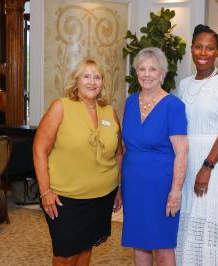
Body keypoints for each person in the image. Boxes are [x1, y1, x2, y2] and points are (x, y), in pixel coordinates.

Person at [33, 58, 123, 266]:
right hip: (65, 199)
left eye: (97, 77)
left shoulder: (110, 112)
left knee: (86, 247)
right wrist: (45, 191)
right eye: (86, 76)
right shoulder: (61, 107)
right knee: (65, 255)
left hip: (102, 196)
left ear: (103, 82)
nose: (92, 82)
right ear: (76, 81)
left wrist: (118, 188)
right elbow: (39, 149)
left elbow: (119, 153)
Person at [176, 24, 218, 265]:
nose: (203, 53)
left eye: (210, 48)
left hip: (214, 161)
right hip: (188, 159)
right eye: (198, 47)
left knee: (209, 214)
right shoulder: (184, 84)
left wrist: (207, 166)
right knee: (190, 214)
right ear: (191, 49)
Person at [121, 47, 189, 265]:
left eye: (153, 69)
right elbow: (124, 148)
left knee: (163, 246)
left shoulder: (174, 106)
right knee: (139, 242)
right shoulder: (130, 103)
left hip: (161, 186)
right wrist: (119, 186)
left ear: (162, 74)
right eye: (142, 69)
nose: (147, 74)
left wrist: (176, 191)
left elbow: (181, 152)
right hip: (133, 184)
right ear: (136, 72)